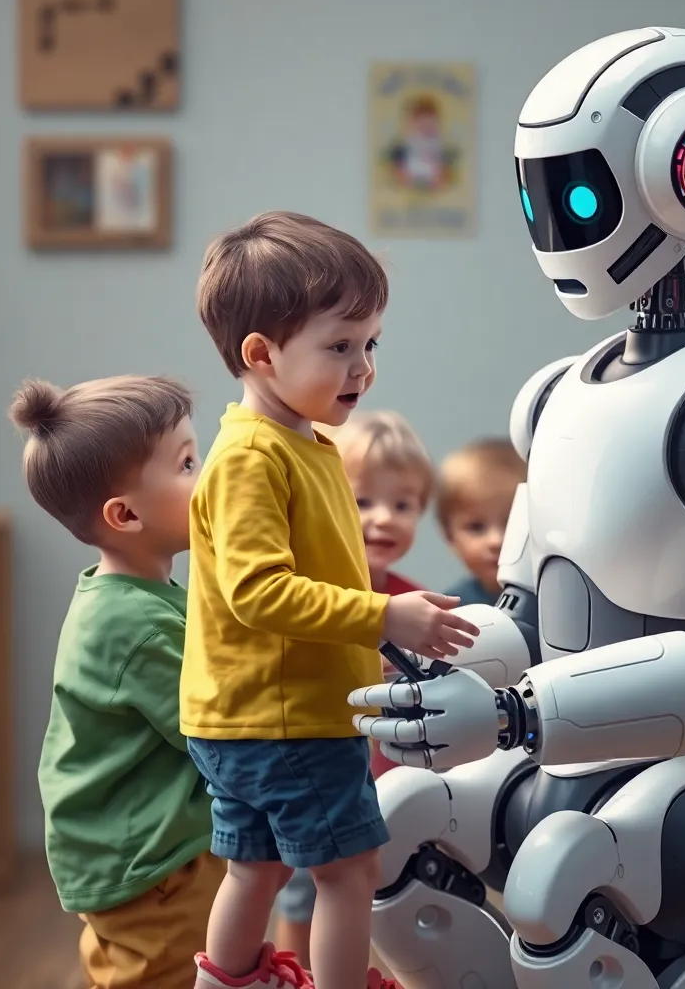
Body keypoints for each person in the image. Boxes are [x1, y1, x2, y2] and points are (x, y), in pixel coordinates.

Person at [179, 210, 480, 989]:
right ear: (261, 354)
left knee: (258, 867)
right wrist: (384, 613)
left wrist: (376, 642)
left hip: (254, 715)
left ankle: (231, 981)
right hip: (288, 722)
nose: (363, 367)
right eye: (340, 346)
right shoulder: (253, 458)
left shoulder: (304, 445)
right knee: (349, 872)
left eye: (370, 344)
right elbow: (258, 592)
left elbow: (319, 575)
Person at [8, 375, 222, 989]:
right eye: (186, 464)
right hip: (154, 860)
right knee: (174, 972)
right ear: (125, 515)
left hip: (134, 844)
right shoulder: (133, 624)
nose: (206, 475)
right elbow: (216, 718)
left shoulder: (137, 596)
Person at [274, 410, 436, 967]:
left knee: (378, 887)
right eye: (363, 501)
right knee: (303, 884)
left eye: (404, 503)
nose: (384, 519)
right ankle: (294, 972)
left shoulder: (413, 603)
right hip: (317, 765)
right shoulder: (313, 594)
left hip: (387, 778)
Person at [436, 437, 527, 606]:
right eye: (476, 527)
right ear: (449, 537)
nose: (496, 541)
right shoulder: (450, 611)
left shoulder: (559, 601)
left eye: (511, 525)